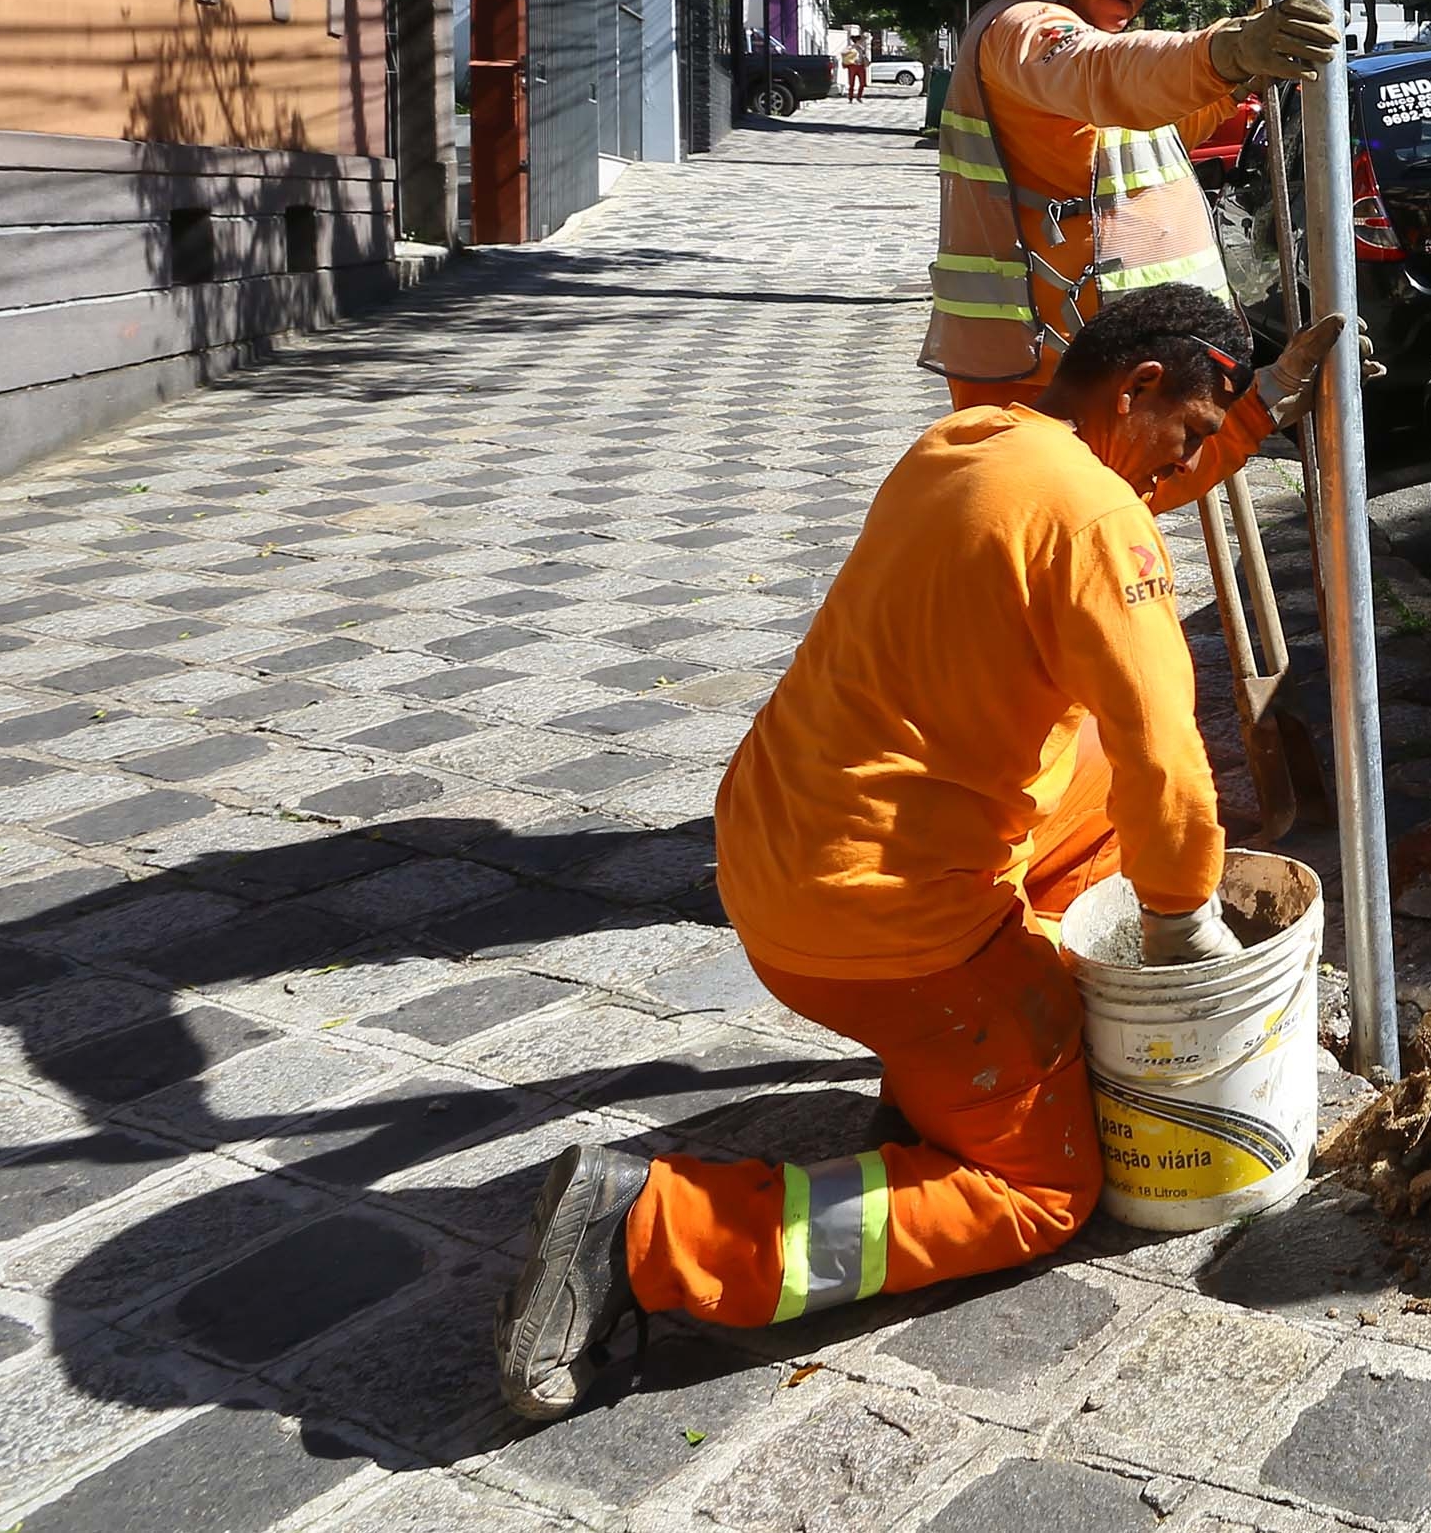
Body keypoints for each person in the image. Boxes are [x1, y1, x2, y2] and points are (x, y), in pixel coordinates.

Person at [494, 284, 1343, 1419]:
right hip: (883, 930)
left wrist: (1252, 413)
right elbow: (1167, 754)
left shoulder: (971, 446)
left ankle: (962, 1075)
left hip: (774, 851)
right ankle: (649, 1234)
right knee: (1042, 1190)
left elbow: (1121, 488)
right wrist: (1183, 927)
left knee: (1088, 779)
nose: (1181, 468)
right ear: (1141, 384)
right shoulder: (1095, 521)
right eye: (1189, 431)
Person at [928, 0, 1340, 408]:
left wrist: (1232, 81)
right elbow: (1099, 70)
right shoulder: (1023, 27)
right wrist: (1224, 51)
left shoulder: (1093, 50)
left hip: (1122, 374)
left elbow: (1155, 130)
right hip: (1051, 378)